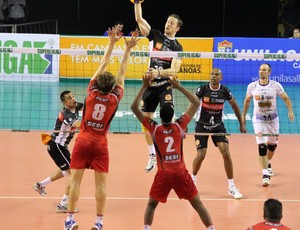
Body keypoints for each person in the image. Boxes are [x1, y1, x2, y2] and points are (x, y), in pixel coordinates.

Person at [64, 28, 139, 230]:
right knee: (101, 185)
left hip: (82, 141)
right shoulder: (115, 98)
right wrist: (128, 49)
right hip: (100, 144)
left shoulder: (90, 93)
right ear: (112, 87)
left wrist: (112, 44)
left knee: (75, 182)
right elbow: (122, 71)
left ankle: (69, 220)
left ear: (97, 83)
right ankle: (98, 222)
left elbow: (103, 63)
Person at [131, 75, 216, 230]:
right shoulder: (180, 126)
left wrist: (144, 86)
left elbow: (134, 108)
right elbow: (196, 102)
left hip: (163, 175)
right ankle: (211, 228)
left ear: (160, 116)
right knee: (197, 204)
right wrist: (178, 87)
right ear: (172, 116)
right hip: (180, 173)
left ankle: (146, 228)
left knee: (151, 205)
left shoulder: (154, 129)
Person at [133, 0, 183, 173]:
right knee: (145, 121)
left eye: (172, 23)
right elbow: (139, 19)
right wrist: (137, 2)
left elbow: (175, 69)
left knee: (169, 119)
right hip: (150, 86)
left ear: (177, 28)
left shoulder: (178, 47)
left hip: (164, 86)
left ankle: (171, 152)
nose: (168, 24)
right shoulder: (155, 36)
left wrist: (158, 73)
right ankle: (152, 155)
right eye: (168, 21)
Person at [192, 68, 246, 199]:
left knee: (226, 152)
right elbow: (192, 105)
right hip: (202, 125)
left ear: (221, 77)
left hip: (217, 126)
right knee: (201, 155)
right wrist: (184, 123)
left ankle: (231, 186)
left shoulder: (224, 91)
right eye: (212, 74)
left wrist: (241, 123)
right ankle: (192, 181)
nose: (213, 76)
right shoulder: (202, 89)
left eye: (216, 75)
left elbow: (235, 106)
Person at [242, 63, 294, 187]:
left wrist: (290, 110)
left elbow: (286, 98)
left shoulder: (275, 85)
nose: (261, 72)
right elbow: (247, 100)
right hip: (259, 120)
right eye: (260, 69)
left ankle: (268, 162)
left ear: (269, 72)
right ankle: (265, 174)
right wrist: (243, 116)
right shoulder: (252, 86)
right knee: (262, 145)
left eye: (264, 70)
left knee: (272, 146)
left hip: (273, 120)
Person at [32, 90, 82, 213]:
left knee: (65, 171)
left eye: (74, 96)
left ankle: (40, 185)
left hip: (60, 147)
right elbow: (80, 125)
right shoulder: (67, 115)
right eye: (70, 98)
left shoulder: (75, 106)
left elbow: (88, 104)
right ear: (65, 103)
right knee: (74, 175)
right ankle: (62, 205)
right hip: (57, 147)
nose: (74, 99)